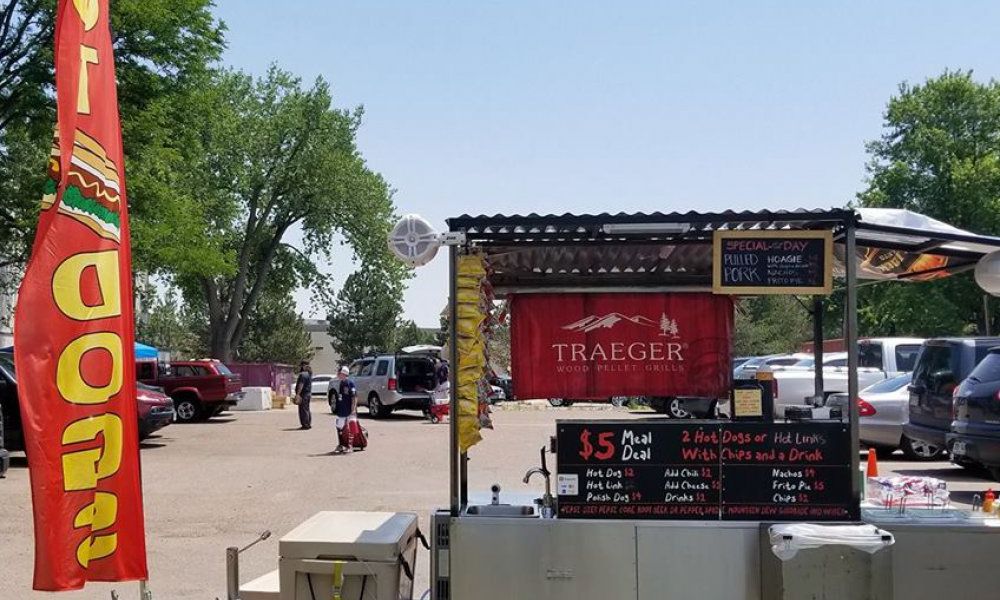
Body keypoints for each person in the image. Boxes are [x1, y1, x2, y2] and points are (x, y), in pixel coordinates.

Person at [334, 366, 358, 453]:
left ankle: (350, 446)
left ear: (343, 374)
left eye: (339, 373)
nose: (338, 374)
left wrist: (353, 408)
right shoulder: (341, 383)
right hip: (342, 409)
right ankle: (341, 444)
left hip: (349, 409)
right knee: (339, 426)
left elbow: (354, 397)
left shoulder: (350, 383)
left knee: (350, 427)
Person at [294, 361, 313, 430]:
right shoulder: (309, 374)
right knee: (307, 409)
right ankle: (308, 423)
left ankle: (305, 425)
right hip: (308, 394)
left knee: (303, 410)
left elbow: (301, 385)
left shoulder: (303, 374)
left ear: (303, 366)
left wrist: (298, 394)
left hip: (303, 394)